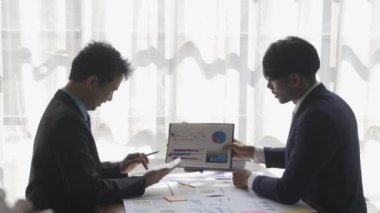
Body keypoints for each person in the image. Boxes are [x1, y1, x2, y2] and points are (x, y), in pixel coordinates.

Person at [223, 36, 367, 213]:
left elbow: (287, 191)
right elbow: (305, 157)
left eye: (272, 79)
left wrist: (249, 179)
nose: (269, 86)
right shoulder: (328, 102)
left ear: (294, 80)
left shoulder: (317, 116)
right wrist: (253, 152)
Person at [25, 41, 170, 213]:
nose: (110, 98)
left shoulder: (64, 106)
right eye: (112, 90)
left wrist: (119, 167)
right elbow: (89, 190)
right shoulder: (67, 120)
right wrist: (144, 182)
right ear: (92, 81)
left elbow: (79, 170)